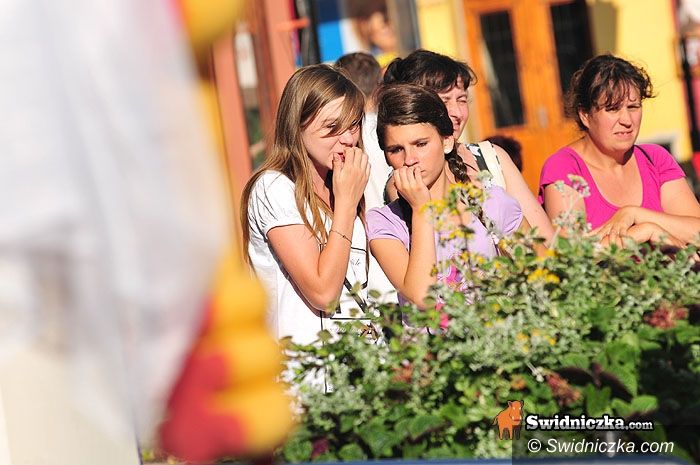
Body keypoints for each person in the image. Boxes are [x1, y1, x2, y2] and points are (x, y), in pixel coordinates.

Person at [365, 84, 530, 307]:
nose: (410, 159)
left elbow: (541, 271)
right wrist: (421, 210)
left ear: (447, 141)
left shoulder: (489, 202)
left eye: (420, 144)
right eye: (396, 149)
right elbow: (423, 297)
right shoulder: (385, 223)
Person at [241, 64, 370, 344]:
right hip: (306, 365)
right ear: (297, 125)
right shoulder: (274, 187)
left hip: (359, 361)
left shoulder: (342, 185)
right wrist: (347, 205)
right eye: (332, 128)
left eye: (353, 125)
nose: (349, 139)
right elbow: (323, 292)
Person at [383, 49, 554, 241]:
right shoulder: (408, 176)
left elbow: (543, 237)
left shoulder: (490, 156)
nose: (456, 112)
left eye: (461, 100)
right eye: (444, 100)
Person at [538, 54, 700, 246]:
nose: (627, 120)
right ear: (585, 115)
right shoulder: (565, 168)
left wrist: (635, 214)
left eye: (633, 107)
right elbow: (574, 253)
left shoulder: (655, 159)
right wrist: (644, 232)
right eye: (613, 109)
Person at [335, 52, 398, 305]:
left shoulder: (341, 140)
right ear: (378, 84)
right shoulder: (392, 132)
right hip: (401, 251)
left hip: (366, 265)